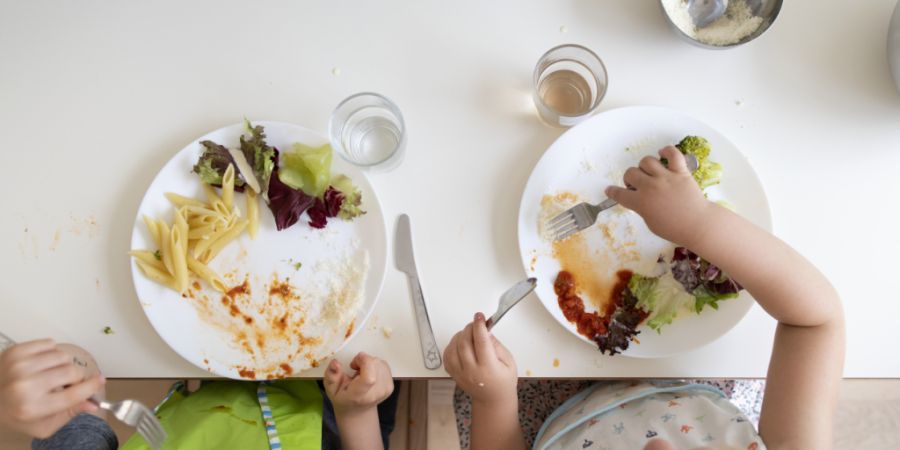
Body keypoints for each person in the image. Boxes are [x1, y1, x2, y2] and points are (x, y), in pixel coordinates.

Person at [444, 146, 845, 450]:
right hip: (689, 387)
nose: (656, 446)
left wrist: (493, 400)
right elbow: (816, 321)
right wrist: (700, 224)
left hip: (548, 413)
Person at [0, 340, 398, 450]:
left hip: (215, 379)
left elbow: (80, 367)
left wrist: (49, 383)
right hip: (340, 410)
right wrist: (357, 409)